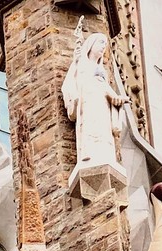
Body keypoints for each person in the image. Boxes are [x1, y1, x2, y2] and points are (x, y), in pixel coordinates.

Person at [61, 30, 129, 177]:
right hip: (88, 103)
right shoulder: (82, 63)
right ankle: (90, 155)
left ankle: (104, 155)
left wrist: (117, 100)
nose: (103, 47)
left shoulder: (101, 70)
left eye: (105, 44)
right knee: (90, 127)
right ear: (90, 45)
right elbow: (71, 83)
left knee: (102, 130)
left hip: (101, 105)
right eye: (101, 42)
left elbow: (107, 90)